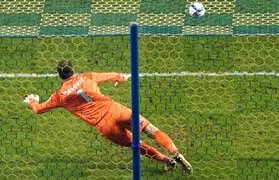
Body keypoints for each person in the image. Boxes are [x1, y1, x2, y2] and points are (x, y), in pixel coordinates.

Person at [24, 60, 192, 173]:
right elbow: (111, 75)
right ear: (73, 70)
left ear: (60, 77)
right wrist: (120, 78)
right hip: (116, 110)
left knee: (137, 145)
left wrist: (33, 101)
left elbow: (39, 109)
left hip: (105, 126)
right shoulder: (87, 77)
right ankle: (175, 152)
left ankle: (167, 161)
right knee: (151, 130)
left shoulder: (60, 95)